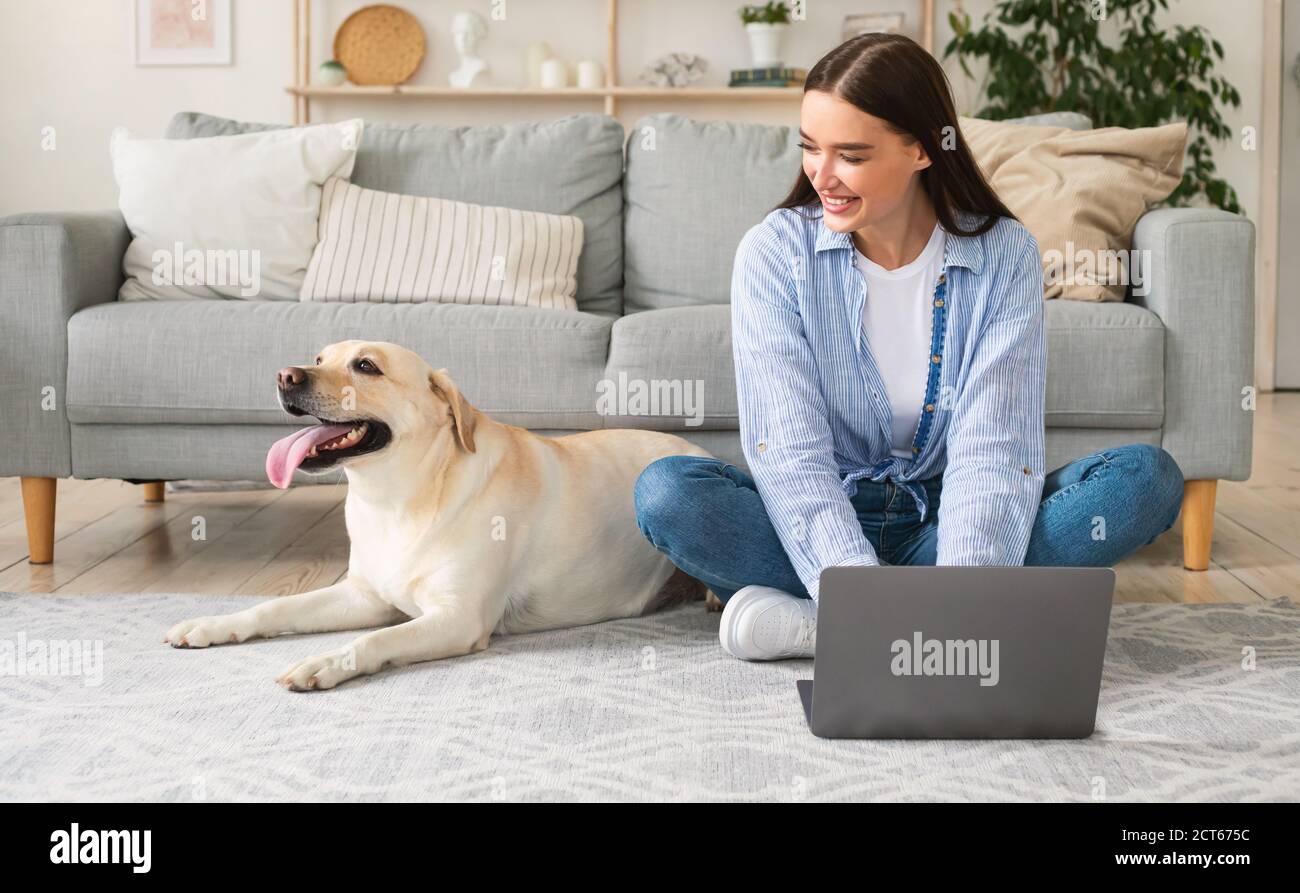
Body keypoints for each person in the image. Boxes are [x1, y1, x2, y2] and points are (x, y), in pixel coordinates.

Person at [633, 32, 1184, 662]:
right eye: (811, 148)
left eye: (852, 155)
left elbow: (994, 446)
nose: (822, 175)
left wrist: (965, 590)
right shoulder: (774, 254)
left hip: (947, 522)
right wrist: (856, 584)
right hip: (821, 521)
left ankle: (833, 626)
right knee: (667, 494)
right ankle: (885, 616)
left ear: (923, 148)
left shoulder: (1003, 253)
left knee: (1146, 480)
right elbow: (788, 453)